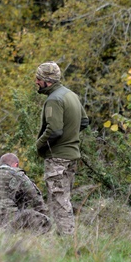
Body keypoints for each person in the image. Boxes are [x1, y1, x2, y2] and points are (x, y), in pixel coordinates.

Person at [34, 62, 89, 236]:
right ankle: (63, 237)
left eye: (38, 78)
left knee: (58, 200)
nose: (36, 81)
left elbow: (54, 130)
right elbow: (84, 122)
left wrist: (38, 145)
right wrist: (70, 136)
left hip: (58, 157)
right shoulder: (71, 95)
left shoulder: (54, 99)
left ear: (46, 81)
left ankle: (67, 240)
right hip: (72, 156)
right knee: (63, 198)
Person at [0, 153, 51, 232]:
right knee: (44, 220)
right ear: (16, 165)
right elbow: (35, 198)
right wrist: (44, 215)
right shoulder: (17, 174)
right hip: (8, 219)